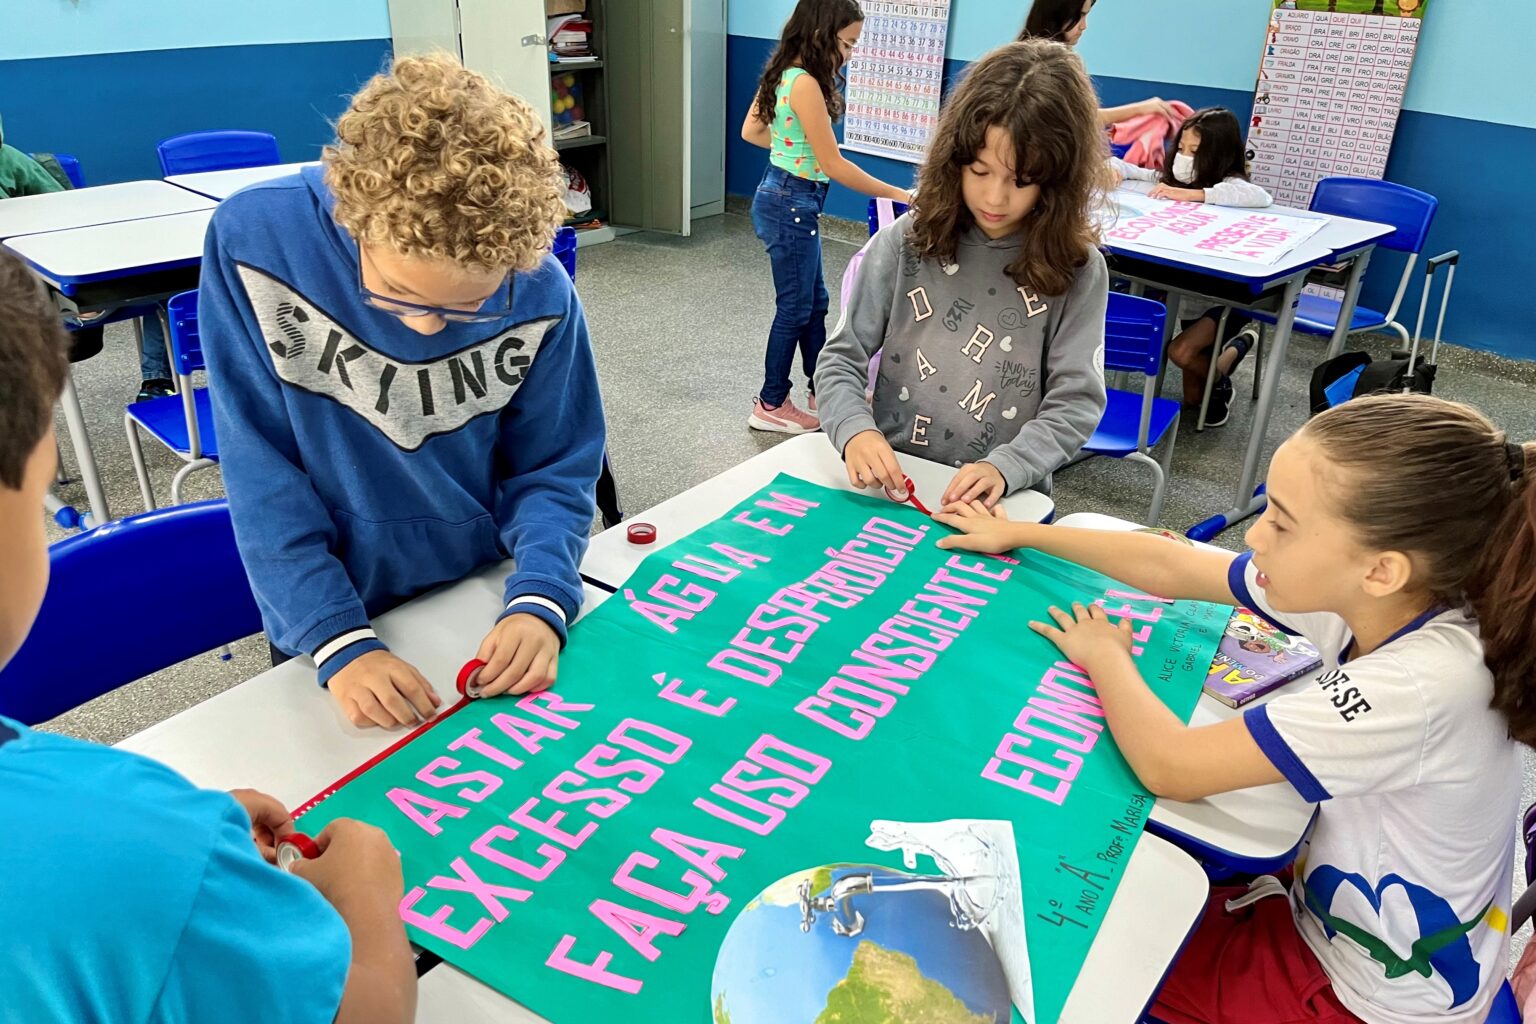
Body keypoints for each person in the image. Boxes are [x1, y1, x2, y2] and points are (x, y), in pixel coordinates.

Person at [935, 392, 1534, 1024]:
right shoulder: (1393, 595)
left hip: (1355, 999)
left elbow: (1172, 766)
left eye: (1281, 521)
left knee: (1043, 948)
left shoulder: (1421, 683)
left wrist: (1105, 653)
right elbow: (1173, 565)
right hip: (1340, 926)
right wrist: (1022, 532)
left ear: (1381, 569)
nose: (1256, 534)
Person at [0, 249, 416, 1023]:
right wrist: (366, 898)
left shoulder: (121, 835)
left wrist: (174, 848)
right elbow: (367, 1010)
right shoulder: (119, 840)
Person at [201, 54, 605, 729]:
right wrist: (337, 640)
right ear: (352, 213)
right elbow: (260, 470)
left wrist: (542, 596)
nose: (423, 327)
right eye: (397, 294)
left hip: (477, 589)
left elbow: (555, 466)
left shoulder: (540, 292)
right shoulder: (255, 241)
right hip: (327, 613)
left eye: (466, 307)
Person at [815, 40, 1108, 508]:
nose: (994, 198)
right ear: (955, 160)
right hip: (894, 486)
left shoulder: (1077, 268)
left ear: (1056, 180)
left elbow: (1075, 403)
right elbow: (840, 360)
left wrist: (1005, 467)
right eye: (979, 170)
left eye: (1021, 180)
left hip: (1001, 503)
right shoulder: (905, 240)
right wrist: (854, 432)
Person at [740, 0, 911, 434]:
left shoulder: (783, 73)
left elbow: (753, 132)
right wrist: (898, 192)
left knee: (813, 303)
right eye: (849, 44)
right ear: (821, 32)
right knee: (796, 308)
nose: (851, 54)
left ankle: (825, 390)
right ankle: (771, 402)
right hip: (789, 202)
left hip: (786, 194)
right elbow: (834, 164)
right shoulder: (805, 85)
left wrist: (791, 152)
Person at [0, 114, 174, 399]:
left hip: (56, 274)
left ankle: (156, 380)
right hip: (26, 293)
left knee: (170, 285)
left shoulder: (9, 160)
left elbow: (68, 214)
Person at [1115, 108, 1270, 423]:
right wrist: (1114, 169)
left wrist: (1192, 195)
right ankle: (1234, 353)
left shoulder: (1229, 184)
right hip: (1185, 293)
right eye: (1182, 149)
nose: (1185, 158)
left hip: (1222, 296)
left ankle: (1226, 365)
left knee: (1181, 354)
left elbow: (1257, 195)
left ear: (1217, 154)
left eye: (1195, 152)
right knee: (1193, 401)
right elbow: (1126, 168)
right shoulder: (1170, 176)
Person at [1016, 0, 1177, 126]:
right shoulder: (1047, 67)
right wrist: (1140, 109)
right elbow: (1080, 119)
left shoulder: (1017, 56)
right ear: (1059, 13)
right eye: (1080, 15)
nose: (1084, 26)